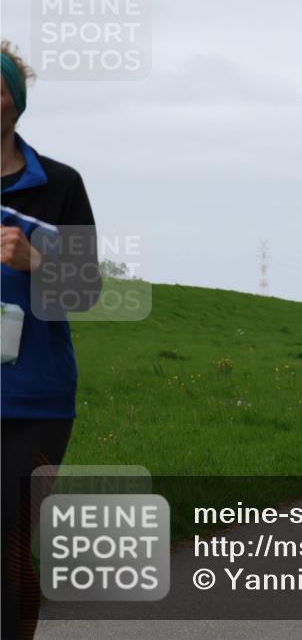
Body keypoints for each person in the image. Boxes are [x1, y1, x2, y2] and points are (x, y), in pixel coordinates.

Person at [2, 41, 101, 640]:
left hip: (34, 401)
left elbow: (88, 292)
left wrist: (36, 261)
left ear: (17, 98)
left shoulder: (59, 184)